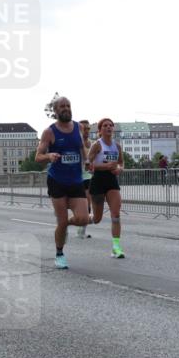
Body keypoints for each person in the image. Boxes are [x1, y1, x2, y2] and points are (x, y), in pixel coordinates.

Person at [34, 96, 89, 269]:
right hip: (57, 180)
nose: (66, 108)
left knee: (83, 218)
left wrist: (87, 161)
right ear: (55, 111)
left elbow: (81, 148)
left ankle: (63, 225)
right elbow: (38, 157)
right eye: (62, 106)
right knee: (62, 220)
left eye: (68, 106)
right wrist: (49, 156)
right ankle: (59, 253)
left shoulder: (78, 127)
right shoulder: (49, 132)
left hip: (75, 180)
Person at [87, 118, 126, 258]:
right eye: (105, 125)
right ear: (100, 130)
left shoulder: (117, 146)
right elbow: (88, 165)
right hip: (98, 181)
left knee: (116, 215)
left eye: (111, 125)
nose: (109, 127)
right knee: (97, 219)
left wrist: (119, 169)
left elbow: (121, 163)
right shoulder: (97, 145)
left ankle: (116, 247)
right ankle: (78, 221)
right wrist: (105, 166)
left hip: (111, 181)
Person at [77, 119, 93, 239]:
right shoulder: (75, 143)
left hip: (87, 176)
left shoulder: (92, 144)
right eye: (84, 128)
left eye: (88, 128)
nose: (86, 131)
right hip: (76, 177)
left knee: (88, 203)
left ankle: (82, 229)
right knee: (77, 204)